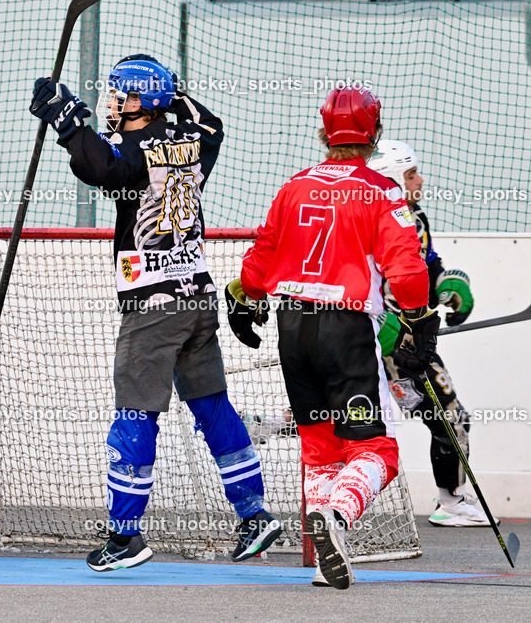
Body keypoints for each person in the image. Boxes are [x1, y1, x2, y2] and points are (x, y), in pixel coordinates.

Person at [29, 54, 283, 572]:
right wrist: (165, 94)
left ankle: (125, 536)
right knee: (212, 406)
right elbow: (210, 124)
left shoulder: (133, 149)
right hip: (196, 298)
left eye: (120, 94)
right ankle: (254, 514)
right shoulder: (194, 138)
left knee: (135, 414)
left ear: (139, 100)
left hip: (152, 305)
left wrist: (66, 121)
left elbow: (101, 168)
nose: (111, 103)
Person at [228, 86, 439, 589]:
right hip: (345, 331)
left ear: (325, 133)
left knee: (320, 447)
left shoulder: (295, 186)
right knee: (378, 451)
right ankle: (338, 516)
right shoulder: (381, 191)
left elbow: (262, 254)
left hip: (292, 326)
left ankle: (328, 557)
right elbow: (406, 268)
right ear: (374, 134)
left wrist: (246, 296)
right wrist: (417, 320)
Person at [367, 140, 487, 527]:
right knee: (449, 418)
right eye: (411, 174)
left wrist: (450, 283)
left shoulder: (413, 215)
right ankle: (451, 503)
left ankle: (452, 498)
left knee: (446, 417)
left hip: (404, 338)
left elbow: (427, 266)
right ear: (391, 179)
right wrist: (384, 324)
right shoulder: (381, 218)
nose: (419, 180)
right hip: (397, 345)